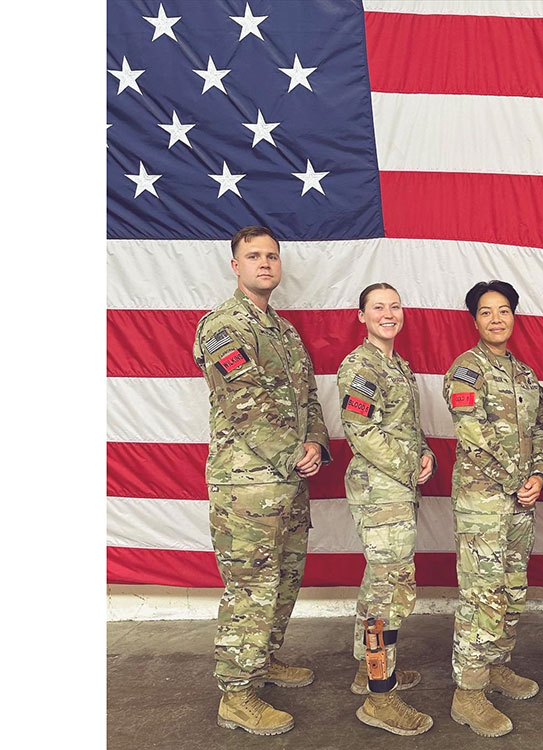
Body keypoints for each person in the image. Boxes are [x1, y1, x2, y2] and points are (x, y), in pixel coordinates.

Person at [192, 225, 330, 736]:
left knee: (285, 578)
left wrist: (315, 443)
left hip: (288, 481)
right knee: (251, 588)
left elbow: (309, 398)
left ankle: (263, 660)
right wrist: (295, 453)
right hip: (247, 486)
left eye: (271, 256)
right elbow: (244, 402)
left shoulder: (284, 332)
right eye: (253, 256)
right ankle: (237, 694)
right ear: (236, 266)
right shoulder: (224, 326)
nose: (265, 263)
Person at [443, 281, 543, 738]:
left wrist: (538, 476)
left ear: (513, 316)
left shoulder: (525, 375)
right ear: (475, 320)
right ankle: (468, 692)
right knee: (482, 594)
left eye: (503, 310)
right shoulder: (466, 370)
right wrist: (515, 482)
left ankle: (495, 665)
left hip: (520, 501)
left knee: (512, 588)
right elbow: (473, 435)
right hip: (483, 502)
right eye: (486, 312)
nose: (496, 319)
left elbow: (541, 431)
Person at [337, 283, 436, 736]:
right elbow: (361, 431)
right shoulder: (361, 366)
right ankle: (380, 697)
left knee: (378, 585)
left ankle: (367, 670)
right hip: (380, 492)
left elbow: (405, 428)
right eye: (378, 307)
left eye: (395, 306)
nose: (388, 313)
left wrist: (425, 453)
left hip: (395, 490)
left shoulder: (398, 366)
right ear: (362, 316)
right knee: (388, 595)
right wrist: (409, 465)